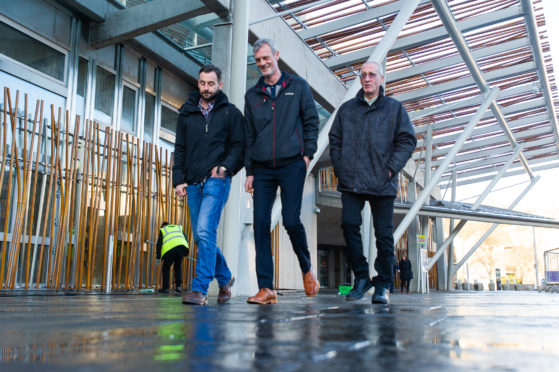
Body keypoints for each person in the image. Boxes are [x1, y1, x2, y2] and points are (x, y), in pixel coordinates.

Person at [329, 61, 417, 304]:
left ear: (381, 79)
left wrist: (390, 169)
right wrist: (340, 166)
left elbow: (408, 140)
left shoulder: (394, 109)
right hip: (352, 180)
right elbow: (334, 138)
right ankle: (361, 277)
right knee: (348, 224)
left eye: (371, 75)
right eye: (363, 75)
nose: (367, 79)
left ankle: (383, 284)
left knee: (384, 236)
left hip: (382, 181)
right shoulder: (347, 110)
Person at [244, 38, 320, 304]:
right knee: (261, 225)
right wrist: (250, 171)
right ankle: (267, 288)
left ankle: (306, 268)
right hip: (263, 168)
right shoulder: (252, 95)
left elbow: (312, 122)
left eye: (266, 58)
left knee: (290, 220)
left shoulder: (297, 86)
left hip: (292, 164)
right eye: (258, 60)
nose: (263, 63)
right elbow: (249, 136)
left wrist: (307, 156)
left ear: (276, 55)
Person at [173, 64, 245, 305]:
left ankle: (200, 289)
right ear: (198, 83)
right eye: (202, 83)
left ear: (219, 85)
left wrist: (224, 168)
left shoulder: (230, 113)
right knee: (200, 237)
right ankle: (225, 278)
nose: (206, 88)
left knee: (205, 231)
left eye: (211, 84)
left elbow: (239, 147)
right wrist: (178, 180)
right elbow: (180, 148)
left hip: (216, 180)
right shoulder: (187, 113)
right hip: (192, 182)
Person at [156, 222, 189, 294]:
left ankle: (165, 288)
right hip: (181, 247)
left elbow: (159, 244)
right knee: (178, 267)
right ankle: (178, 286)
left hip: (169, 249)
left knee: (166, 268)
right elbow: (185, 239)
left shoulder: (163, 230)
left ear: (163, 226)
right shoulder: (178, 228)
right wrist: (186, 252)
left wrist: (158, 257)